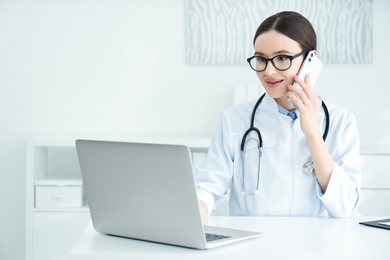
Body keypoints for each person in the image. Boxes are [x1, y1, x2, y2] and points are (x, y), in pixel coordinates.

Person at [195, 11, 361, 220]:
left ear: (311, 60)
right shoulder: (233, 120)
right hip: (252, 247)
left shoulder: (341, 122)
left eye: (282, 58)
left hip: (315, 248)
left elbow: (344, 208)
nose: (269, 72)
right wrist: (195, 211)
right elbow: (207, 187)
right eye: (261, 59)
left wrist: (312, 133)